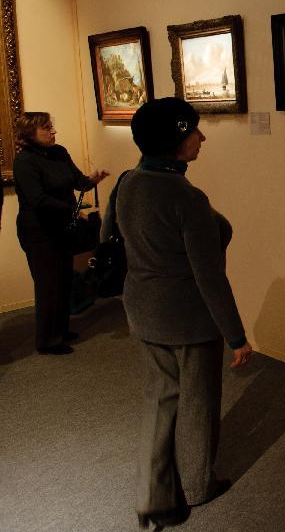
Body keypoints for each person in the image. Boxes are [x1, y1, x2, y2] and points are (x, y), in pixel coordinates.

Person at [115, 97, 252, 529]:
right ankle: (196, 486)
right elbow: (209, 276)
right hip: (187, 318)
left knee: (160, 398)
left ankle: (152, 494)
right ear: (175, 139)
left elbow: (116, 239)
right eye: (193, 130)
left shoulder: (127, 182)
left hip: (142, 309)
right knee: (197, 403)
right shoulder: (186, 197)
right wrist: (236, 335)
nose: (202, 137)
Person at [13, 112, 110, 355]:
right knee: (48, 284)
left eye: (51, 127)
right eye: (46, 128)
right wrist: (72, 211)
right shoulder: (24, 161)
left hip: (62, 226)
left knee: (64, 280)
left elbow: (77, 181)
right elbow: (37, 200)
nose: (53, 131)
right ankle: (47, 341)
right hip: (38, 230)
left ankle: (61, 330)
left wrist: (92, 180)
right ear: (30, 134)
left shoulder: (59, 152)